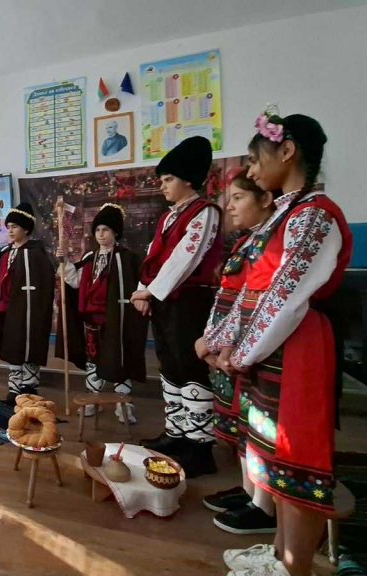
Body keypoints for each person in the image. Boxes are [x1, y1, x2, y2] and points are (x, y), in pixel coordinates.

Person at [213, 108, 352, 576]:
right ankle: (279, 554)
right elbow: (253, 291)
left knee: (296, 461)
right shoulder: (286, 214)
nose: (251, 171)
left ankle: (295, 567)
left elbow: (285, 297)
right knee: (272, 455)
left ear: (287, 151)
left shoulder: (315, 216)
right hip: (272, 347)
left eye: (256, 160)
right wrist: (230, 343)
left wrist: (240, 351)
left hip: (298, 347)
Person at [130, 135, 223, 478]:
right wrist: (144, 290)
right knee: (170, 366)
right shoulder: (168, 218)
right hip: (165, 301)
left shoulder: (205, 213)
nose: (163, 186)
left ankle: (200, 447)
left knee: (190, 367)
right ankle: (177, 433)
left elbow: (185, 259)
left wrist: (150, 293)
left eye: (168, 179)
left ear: (187, 180)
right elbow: (154, 258)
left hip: (190, 301)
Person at [196, 169, 279, 535]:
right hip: (231, 344)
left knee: (259, 426)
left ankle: (264, 505)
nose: (229, 207)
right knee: (241, 423)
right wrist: (214, 340)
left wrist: (223, 345)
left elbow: (255, 302)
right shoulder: (247, 242)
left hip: (249, 346)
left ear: (265, 199)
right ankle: (249, 492)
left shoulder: (271, 242)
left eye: (239, 198)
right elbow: (228, 298)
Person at [56, 203, 148, 420]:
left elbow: (142, 284)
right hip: (93, 320)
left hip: (118, 319)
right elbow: (75, 282)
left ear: (115, 232)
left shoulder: (129, 258)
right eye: (97, 229)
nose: (100, 234)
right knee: (93, 359)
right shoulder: (91, 257)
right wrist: (65, 261)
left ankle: (123, 404)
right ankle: (92, 399)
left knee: (119, 358)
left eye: (105, 229)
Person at [0, 202, 55, 406]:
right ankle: (14, 386)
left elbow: (46, 280)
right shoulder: (5, 252)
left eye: (14, 227)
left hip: (31, 308)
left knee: (30, 343)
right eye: (8, 227)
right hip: (9, 307)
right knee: (13, 343)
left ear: (26, 229)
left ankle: (29, 386)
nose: (10, 231)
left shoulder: (36, 252)